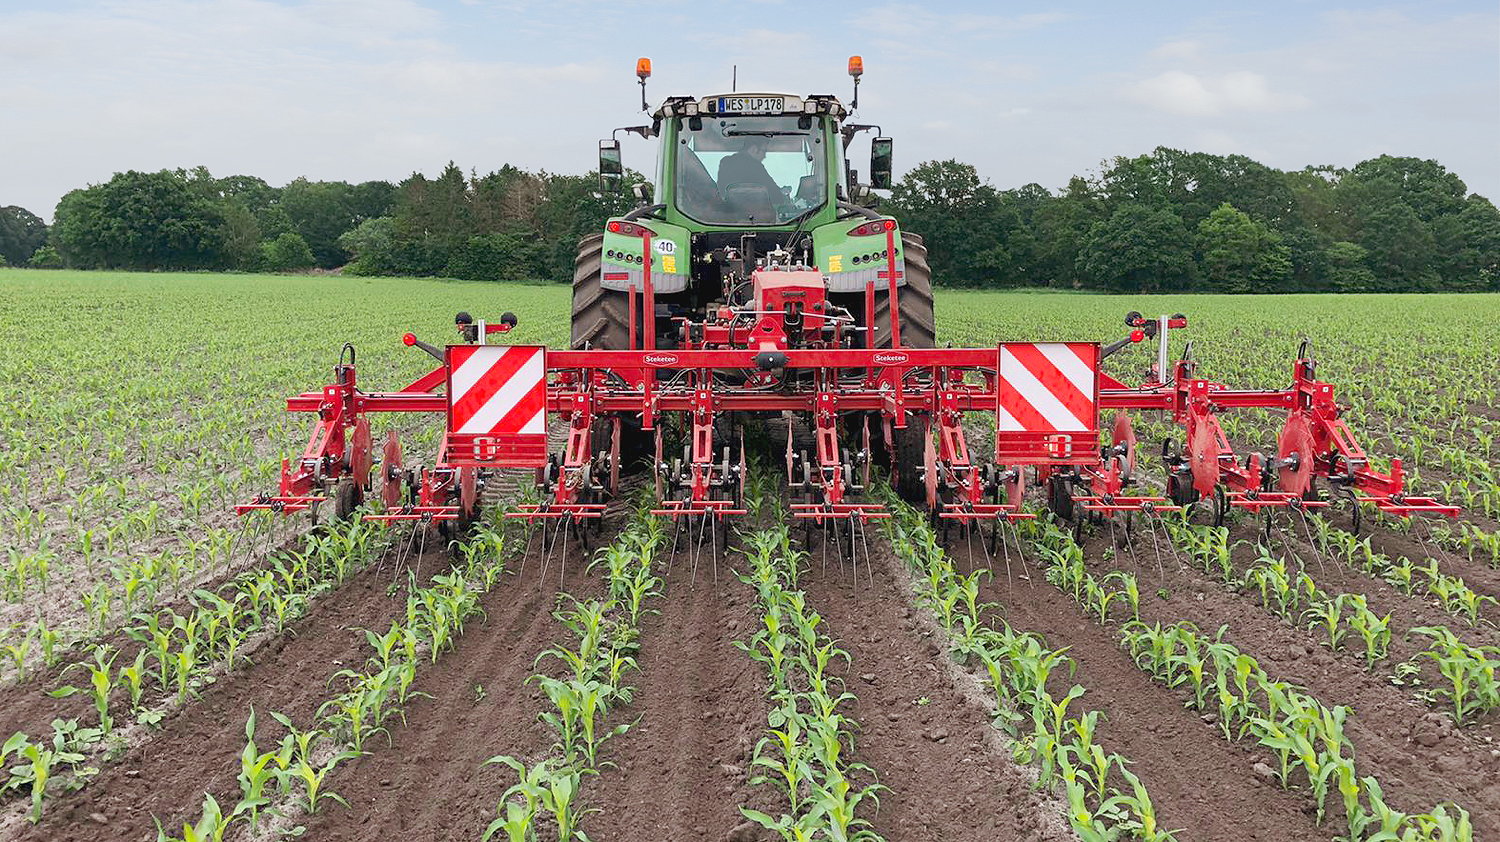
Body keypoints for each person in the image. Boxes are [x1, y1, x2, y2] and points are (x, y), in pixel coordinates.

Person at [717, 135, 784, 204]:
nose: (764, 156)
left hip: (729, 211)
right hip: (753, 211)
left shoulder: (725, 162)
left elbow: (721, 190)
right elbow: (775, 194)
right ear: (754, 149)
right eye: (764, 151)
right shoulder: (755, 167)